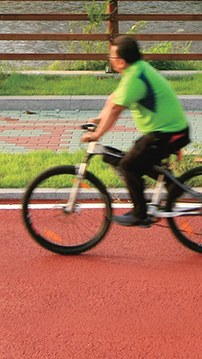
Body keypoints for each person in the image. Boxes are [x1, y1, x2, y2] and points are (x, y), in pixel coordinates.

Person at [81, 35, 190, 227]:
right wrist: (98, 119)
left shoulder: (134, 78)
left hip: (169, 132)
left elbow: (116, 110)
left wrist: (97, 134)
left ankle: (141, 213)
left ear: (121, 62)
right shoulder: (136, 70)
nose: (110, 60)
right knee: (137, 155)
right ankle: (172, 185)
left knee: (129, 165)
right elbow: (114, 99)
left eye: (112, 57)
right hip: (165, 130)